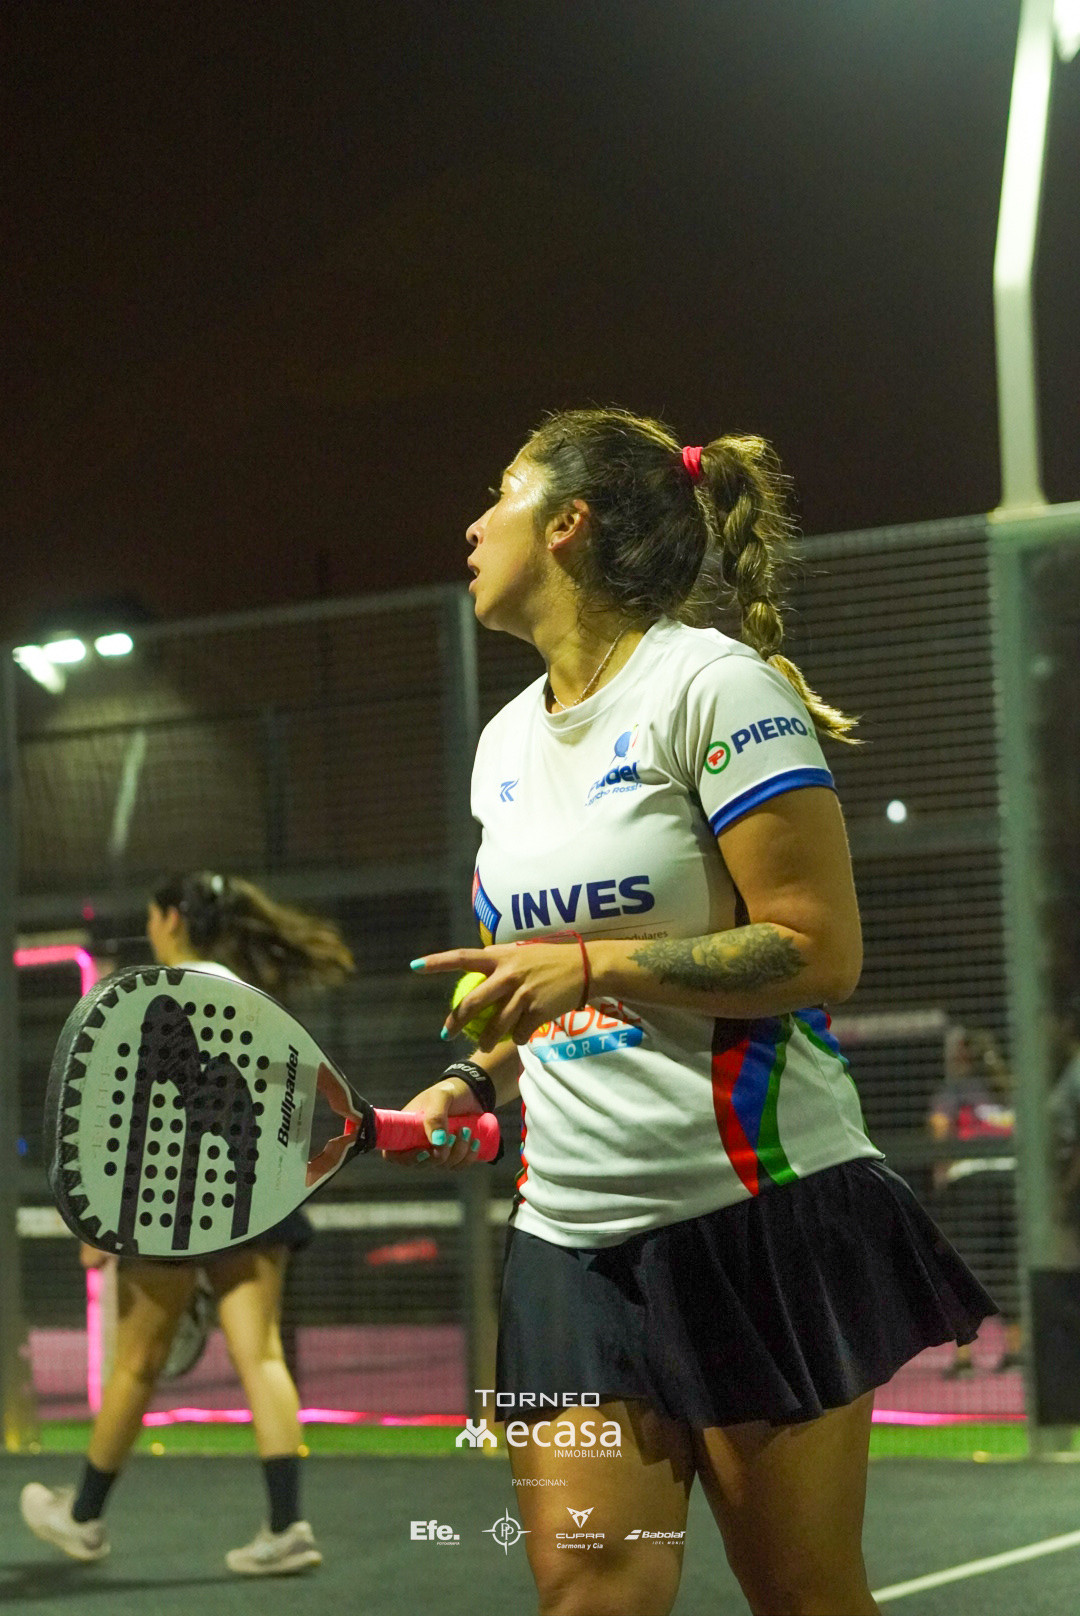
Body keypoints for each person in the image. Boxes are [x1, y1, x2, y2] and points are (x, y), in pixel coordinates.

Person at [394, 409, 996, 1616]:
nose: (473, 524)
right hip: (568, 1239)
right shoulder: (503, 745)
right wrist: (470, 1079)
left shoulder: (714, 685)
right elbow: (532, 987)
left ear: (566, 524)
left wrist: (593, 965)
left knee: (803, 1592)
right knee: (591, 1591)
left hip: (754, 1214)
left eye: (501, 492)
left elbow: (819, 947)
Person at [21, 871, 354, 1575]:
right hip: (254, 1200)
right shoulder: (251, 1000)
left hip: (166, 1212)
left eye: (152, 916)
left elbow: (125, 1114)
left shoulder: (152, 997)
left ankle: (82, 1519)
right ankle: (288, 1527)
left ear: (172, 918)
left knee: (137, 1364)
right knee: (263, 1358)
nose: (150, 929)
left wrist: (99, 1223)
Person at [927, 1025, 1021, 1378]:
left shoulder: (955, 1088)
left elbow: (939, 1126)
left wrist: (940, 1172)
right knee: (1009, 1264)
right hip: (1010, 1182)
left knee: (964, 1269)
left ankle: (965, 1360)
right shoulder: (1008, 1089)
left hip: (971, 1184)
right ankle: (1016, 1354)